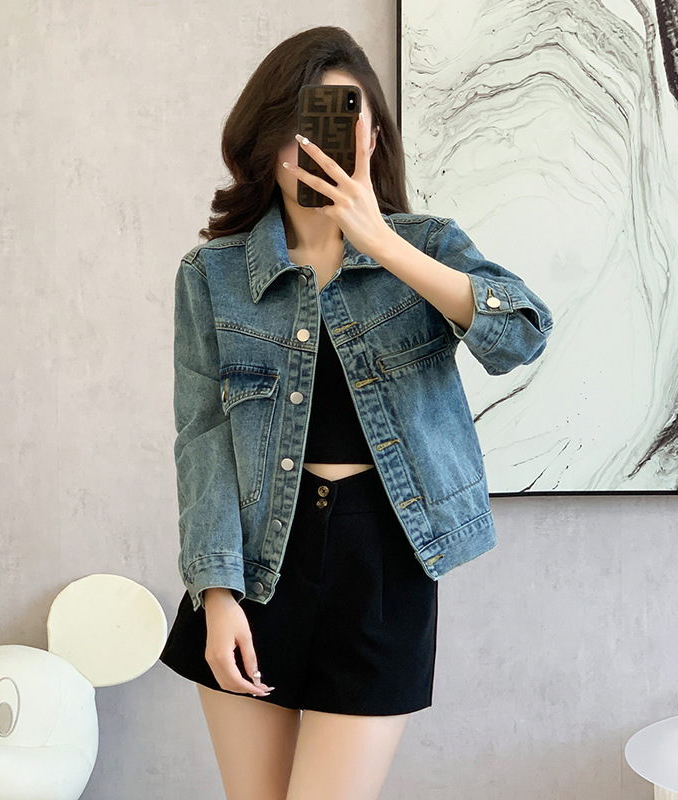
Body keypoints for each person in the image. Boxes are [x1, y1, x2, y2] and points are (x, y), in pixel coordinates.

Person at [159, 25, 553, 800]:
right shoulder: (213, 274)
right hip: (257, 567)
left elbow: (522, 334)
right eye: (303, 123)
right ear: (269, 139)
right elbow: (202, 438)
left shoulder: (428, 246)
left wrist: (383, 242)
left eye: (343, 119)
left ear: (371, 136)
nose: (322, 145)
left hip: (382, 563)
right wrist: (216, 594)